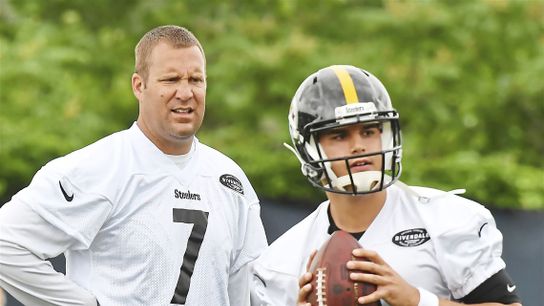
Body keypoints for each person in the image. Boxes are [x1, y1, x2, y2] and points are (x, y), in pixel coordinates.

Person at [0, 25, 267, 306]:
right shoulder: (100, 166)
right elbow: (5, 243)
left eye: (196, 79)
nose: (185, 93)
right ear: (139, 86)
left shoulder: (229, 179)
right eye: (171, 79)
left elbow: (252, 291)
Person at [250, 65, 522, 306]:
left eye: (369, 131)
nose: (359, 146)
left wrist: (416, 300)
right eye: (339, 135)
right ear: (309, 149)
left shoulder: (445, 219)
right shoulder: (281, 261)